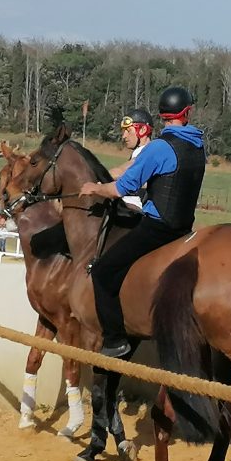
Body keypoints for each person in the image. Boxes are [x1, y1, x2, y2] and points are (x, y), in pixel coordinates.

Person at [79, 86, 206, 357]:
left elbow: (120, 189)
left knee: (102, 272)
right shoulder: (198, 146)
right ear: (187, 113)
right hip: (185, 230)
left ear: (162, 116)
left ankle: (114, 340)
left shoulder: (160, 147)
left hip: (157, 228)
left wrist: (94, 188)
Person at [109, 108, 154, 209]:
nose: (124, 136)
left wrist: (96, 179)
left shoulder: (147, 153)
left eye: (128, 131)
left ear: (143, 130)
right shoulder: (142, 152)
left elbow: (121, 172)